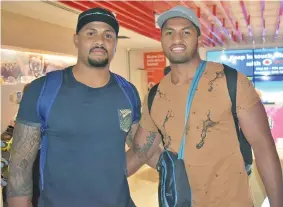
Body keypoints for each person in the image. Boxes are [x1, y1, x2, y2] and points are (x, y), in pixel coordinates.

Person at [126, 6, 283, 207]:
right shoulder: (155, 95)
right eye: (169, 32)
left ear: (199, 39)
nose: (177, 39)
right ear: (162, 39)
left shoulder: (230, 81)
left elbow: (264, 147)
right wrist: (92, 176)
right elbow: (140, 152)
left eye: (186, 32)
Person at [7, 7, 155, 207]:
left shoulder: (127, 92)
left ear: (115, 44)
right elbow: (19, 168)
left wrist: (185, 166)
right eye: (91, 33)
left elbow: (142, 147)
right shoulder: (43, 91)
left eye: (108, 35)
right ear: (77, 39)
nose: (100, 41)